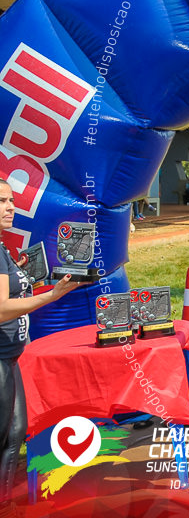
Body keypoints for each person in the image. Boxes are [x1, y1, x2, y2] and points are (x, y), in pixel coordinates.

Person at [0, 179, 82, 513]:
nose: (10, 206)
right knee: (6, 437)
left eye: (11, 199)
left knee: (13, 435)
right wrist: (51, 296)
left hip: (10, 356)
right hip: (1, 358)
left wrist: (20, 274)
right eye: (2, 201)